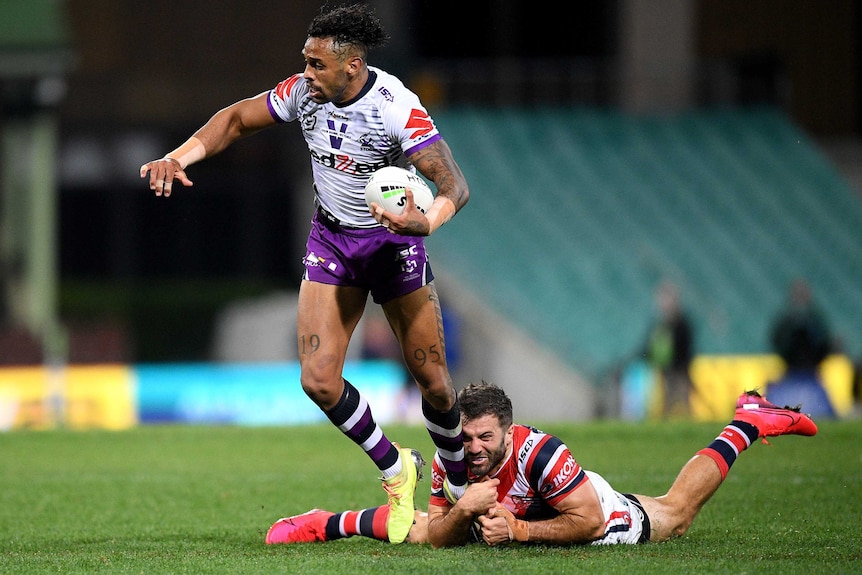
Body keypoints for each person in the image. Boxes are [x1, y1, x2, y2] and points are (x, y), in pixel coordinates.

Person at [139, 3, 470, 544]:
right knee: (317, 379)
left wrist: (425, 222)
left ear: (353, 68)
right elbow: (237, 119)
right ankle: (396, 467)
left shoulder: (397, 107)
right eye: (305, 61)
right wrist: (179, 158)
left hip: (393, 245)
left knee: (433, 382)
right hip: (333, 242)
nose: (305, 74)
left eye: (317, 65)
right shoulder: (302, 94)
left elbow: (453, 182)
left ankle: (457, 481)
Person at [265, 381, 817, 546]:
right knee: (413, 531)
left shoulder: (541, 453)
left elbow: (591, 521)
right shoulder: (452, 457)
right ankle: (323, 523)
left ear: (508, 432)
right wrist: (465, 513)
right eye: (466, 437)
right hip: (546, 505)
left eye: (485, 438)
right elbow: (432, 533)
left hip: (587, 506)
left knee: (675, 514)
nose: (473, 449)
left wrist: (521, 530)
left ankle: (748, 422)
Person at [767, 279, 836, 418]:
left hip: (805, 373)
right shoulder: (804, 319)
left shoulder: (811, 318)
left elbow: (777, 341)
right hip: (795, 373)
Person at [643, 281, 695, 417]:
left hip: (681, 369)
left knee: (683, 399)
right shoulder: (659, 323)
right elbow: (651, 345)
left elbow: (685, 346)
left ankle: (687, 422)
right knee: (667, 400)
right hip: (666, 369)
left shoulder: (681, 322)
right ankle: (667, 423)